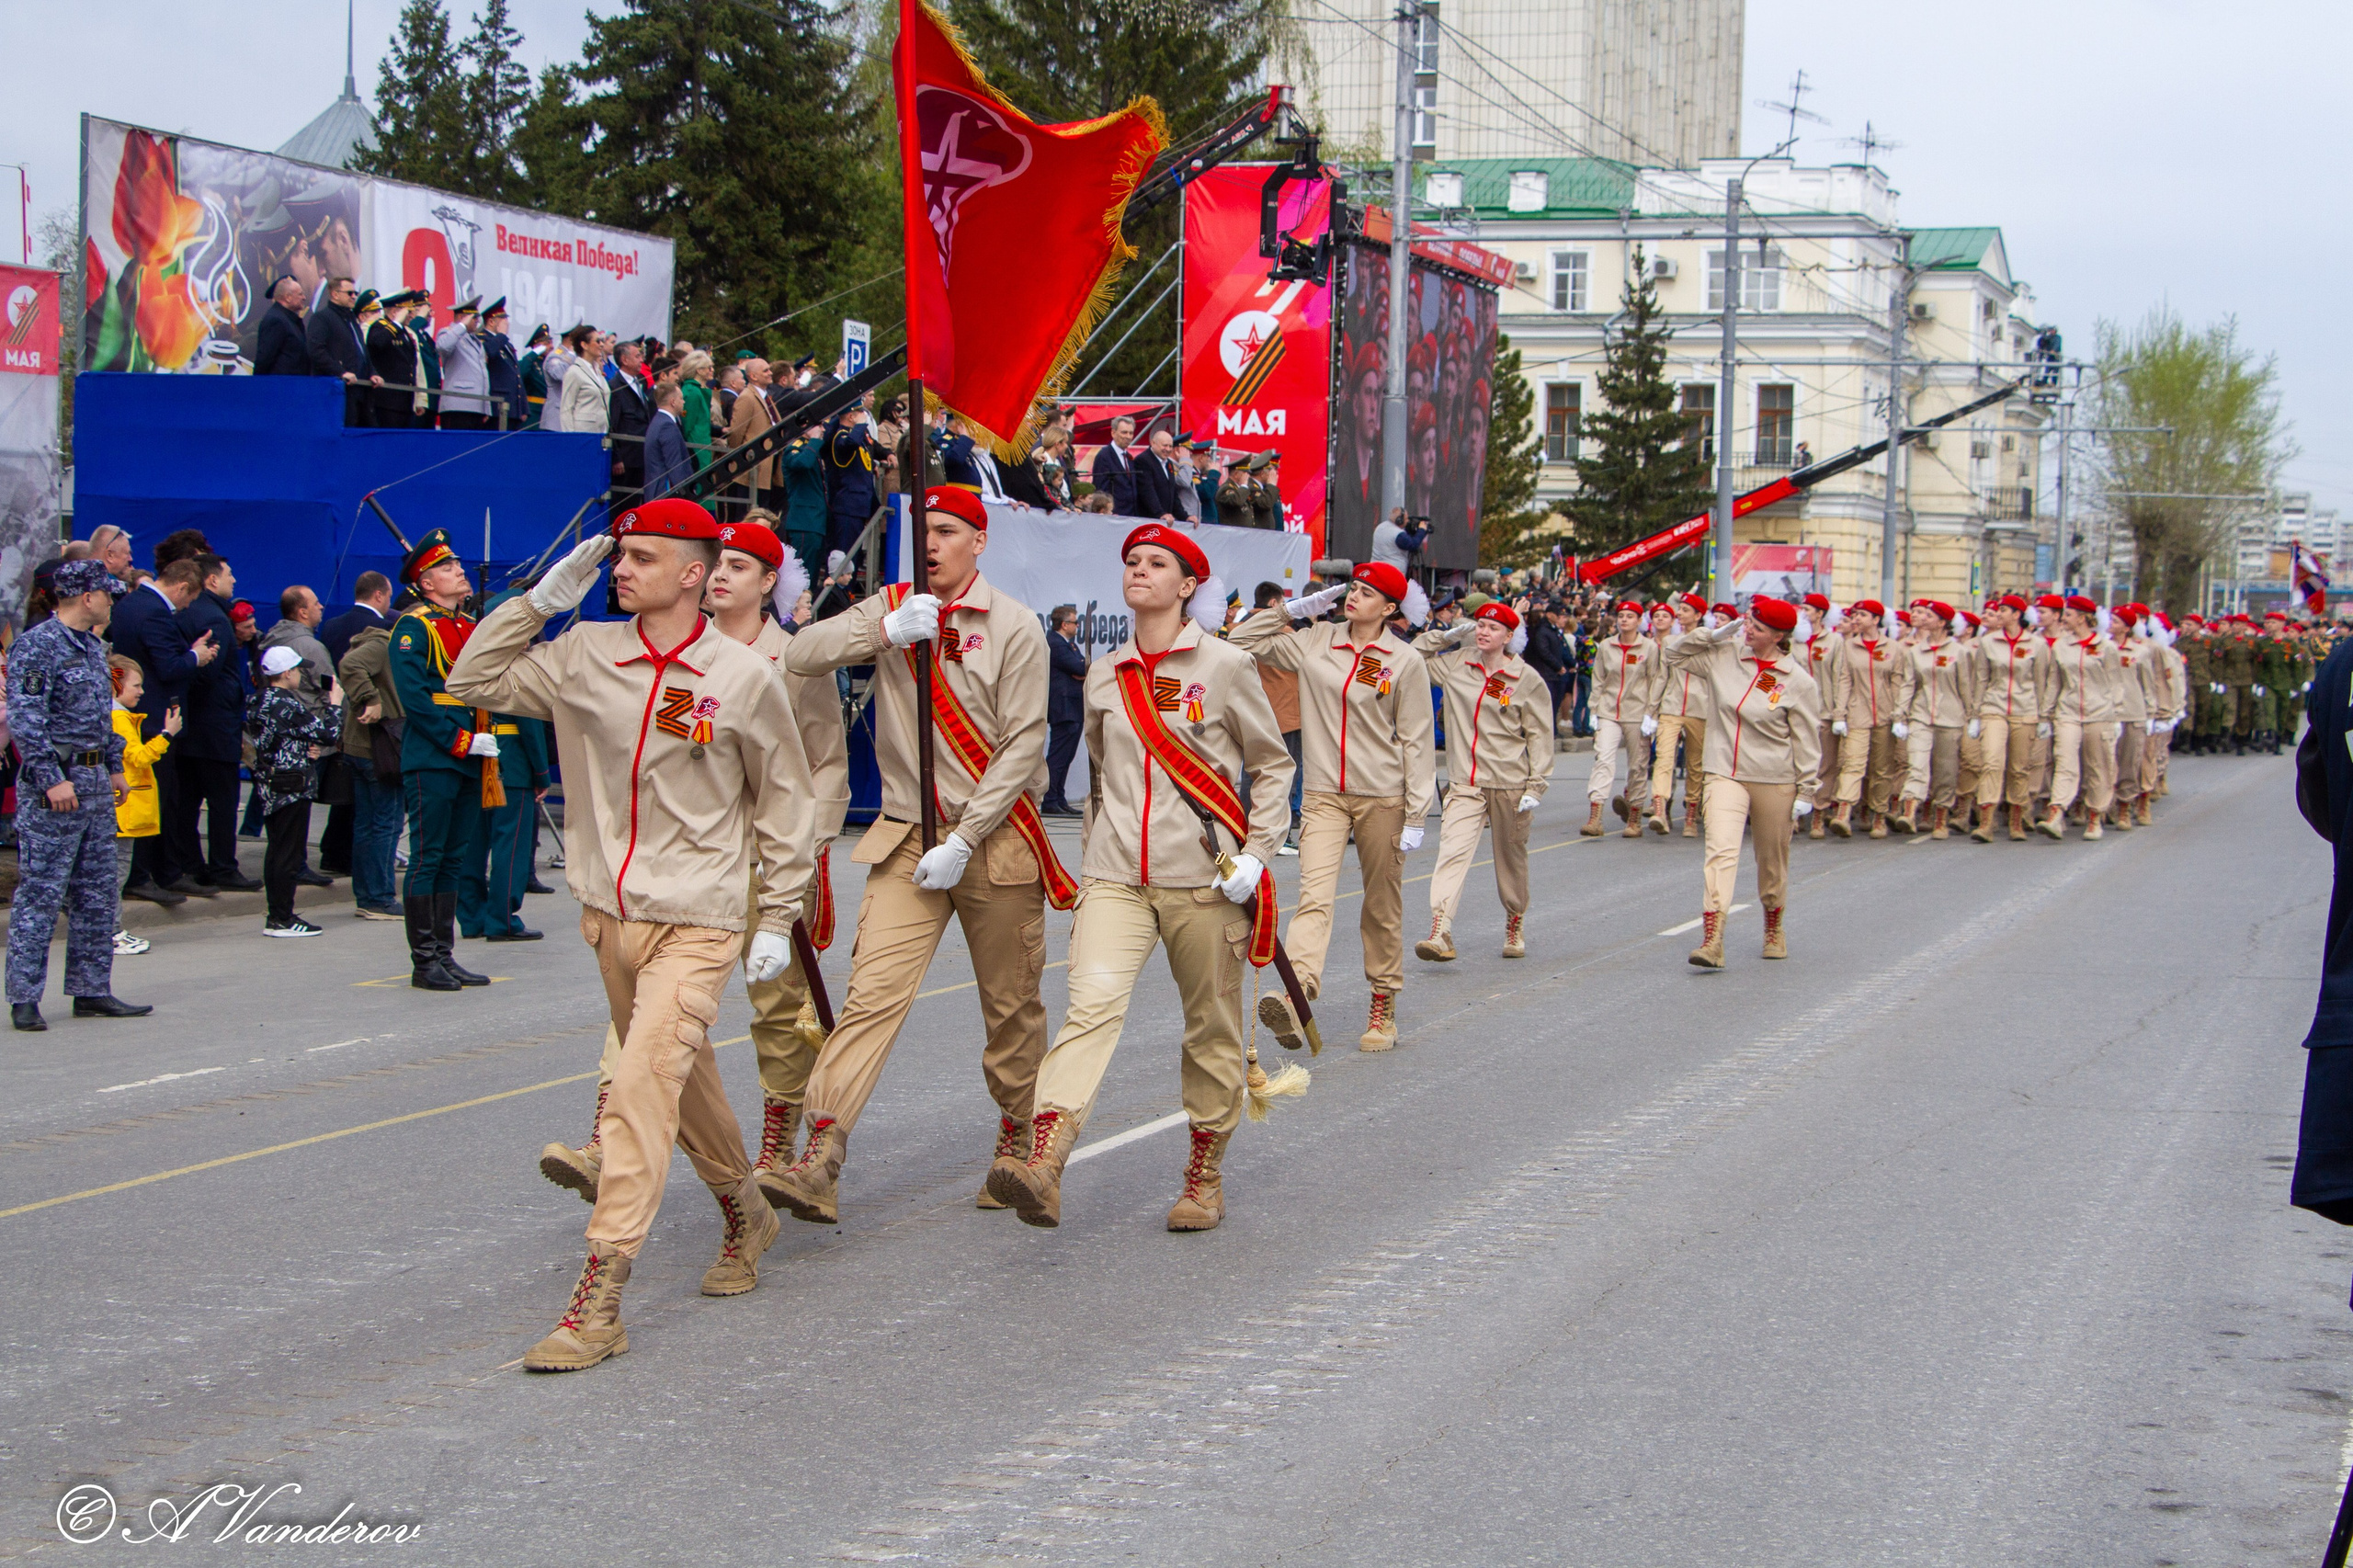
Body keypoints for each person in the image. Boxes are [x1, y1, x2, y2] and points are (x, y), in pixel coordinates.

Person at [447, 501, 818, 1375]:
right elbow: (472, 680)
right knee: (684, 1089)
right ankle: (744, 1206)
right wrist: (538, 604)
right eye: (621, 557)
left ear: (694, 574)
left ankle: (600, 1297)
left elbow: (788, 804)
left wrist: (775, 917)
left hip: (699, 920)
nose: (622, 570)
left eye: (643, 558)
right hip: (607, 919)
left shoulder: (741, 675)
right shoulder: (585, 655)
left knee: (639, 1090)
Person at [767, 484, 1069, 1224]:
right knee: (870, 997)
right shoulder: (893, 606)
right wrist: (885, 633)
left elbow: (1024, 742)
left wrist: (968, 836)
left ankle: (1015, 1134)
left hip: (991, 841)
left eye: (946, 531)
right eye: (921, 531)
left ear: (978, 541)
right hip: (907, 837)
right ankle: (822, 1155)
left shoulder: (1016, 626)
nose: (929, 543)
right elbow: (799, 653)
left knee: (1010, 1006)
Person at [539, 518, 852, 1209]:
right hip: (682, 867)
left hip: (762, 864)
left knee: (777, 1006)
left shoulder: (789, 660)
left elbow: (823, 768)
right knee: (646, 1005)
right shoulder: (665, 651)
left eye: (740, 567)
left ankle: (777, 1138)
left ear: (770, 582)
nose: (721, 576)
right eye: (719, 563)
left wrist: (798, 859)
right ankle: (605, 1141)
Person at [990, 523, 1293, 1232]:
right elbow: (1099, 776)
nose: (1140, 571)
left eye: (1157, 563)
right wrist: (1098, 852)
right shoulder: (1105, 672)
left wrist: (1258, 852)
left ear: (1187, 587)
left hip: (1205, 880)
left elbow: (1273, 766)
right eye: (1132, 561)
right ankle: (1046, 1161)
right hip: (1117, 876)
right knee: (1088, 1009)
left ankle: (1204, 1175)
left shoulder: (1224, 667)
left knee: (1209, 1029)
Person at [1231, 561, 1434, 1052]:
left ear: (1389, 609)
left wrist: (1418, 812)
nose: (1354, 597)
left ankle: (1383, 1002)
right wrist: (1292, 608)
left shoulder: (1405, 661)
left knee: (1380, 906)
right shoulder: (1316, 639)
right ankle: (1299, 987)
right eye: (1353, 588)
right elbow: (1239, 641)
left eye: (1368, 593)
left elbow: (1416, 739)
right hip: (1323, 795)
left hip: (1383, 797)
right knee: (1314, 894)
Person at [7, 560, 151, 1030]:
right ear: (85, 597)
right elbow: (27, 719)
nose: (112, 600)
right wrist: (51, 778)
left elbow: (100, 716)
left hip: (91, 784)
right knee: (42, 893)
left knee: (96, 893)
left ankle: (91, 989)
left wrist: (113, 766)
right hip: (57, 787)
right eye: (107, 593)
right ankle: (24, 997)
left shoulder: (93, 647)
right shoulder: (37, 646)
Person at [1666, 597, 1822, 968]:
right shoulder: (1725, 654)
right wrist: (1709, 634)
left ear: (1779, 636)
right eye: (1748, 622)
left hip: (1774, 777)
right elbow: (1673, 656)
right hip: (1724, 772)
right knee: (1720, 851)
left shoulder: (1797, 681)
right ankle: (1712, 939)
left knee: (1771, 860)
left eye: (1758, 628)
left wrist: (1807, 790)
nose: (1747, 629)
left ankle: (1773, 925)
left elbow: (1806, 740)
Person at [1411, 599, 1553, 962]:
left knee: (1510, 858)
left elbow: (1539, 735)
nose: (1483, 631)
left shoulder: (1526, 679)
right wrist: (1443, 637)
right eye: (1479, 625)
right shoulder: (1458, 664)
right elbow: (1411, 660)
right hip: (1464, 783)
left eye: (1493, 627)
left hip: (1510, 784)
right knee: (1451, 853)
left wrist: (1536, 786)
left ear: (1509, 635)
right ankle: (1440, 930)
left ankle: (1514, 919)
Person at [387, 530, 496, 990]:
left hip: (472, 753)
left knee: (453, 857)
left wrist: (484, 740)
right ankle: (424, 959)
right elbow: (415, 698)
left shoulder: (468, 626)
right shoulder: (415, 627)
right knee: (429, 857)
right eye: (448, 568)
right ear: (427, 584)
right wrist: (460, 741)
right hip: (436, 756)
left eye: (457, 565)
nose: (459, 571)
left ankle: (445, 955)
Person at [109, 556, 219, 903]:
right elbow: (167, 666)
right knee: (154, 798)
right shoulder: (155, 612)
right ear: (183, 587)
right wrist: (195, 657)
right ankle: (145, 875)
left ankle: (158, 871)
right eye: (190, 598)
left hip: (142, 711)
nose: (188, 606)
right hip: (155, 718)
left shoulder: (130, 603)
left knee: (160, 797)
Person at [166, 555, 258, 893]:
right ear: (211, 581)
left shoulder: (185, 613)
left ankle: (191, 863)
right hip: (215, 725)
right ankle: (223, 866)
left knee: (187, 800)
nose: (234, 580)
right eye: (229, 574)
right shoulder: (215, 619)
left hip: (188, 726)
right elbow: (210, 673)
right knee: (222, 801)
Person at [251, 646, 345, 937]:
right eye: (298, 670)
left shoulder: (258, 699)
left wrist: (304, 747)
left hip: (271, 782)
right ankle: (282, 917)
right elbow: (327, 733)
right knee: (288, 853)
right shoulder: (286, 703)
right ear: (287, 673)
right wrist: (336, 705)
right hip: (291, 786)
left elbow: (280, 737)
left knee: (278, 849)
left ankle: (278, 914)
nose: (301, 675)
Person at [335, 608, 405, 921]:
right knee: (384, 824)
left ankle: (367, 895)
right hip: (378, 749)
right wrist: (371, 698)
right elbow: (350, 666)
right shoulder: (383, 645)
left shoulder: (370, 642)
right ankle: (378, 897)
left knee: (367, 824)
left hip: (362, 747)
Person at [2037, 595, 2122, 841]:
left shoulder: (2106, 647)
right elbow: (2054, 681)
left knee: (2098, 766)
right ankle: (2056, 814)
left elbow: (2116, 684)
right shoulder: (2061, 646)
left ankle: (2095, 817)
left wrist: (2115, 716)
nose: (2064, 619)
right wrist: (2046, 714)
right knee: (2064, 761)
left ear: (2083, 618)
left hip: (2100, 714)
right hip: (2068, 712)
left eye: (2069, 615)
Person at [107, 656, 176, 956]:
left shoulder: (113, 716)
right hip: (124, 809)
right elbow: (137, 758)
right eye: (136, 685)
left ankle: (107, 931)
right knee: (116, 873)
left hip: (119, 808)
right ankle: (111, 933)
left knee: (112, 873)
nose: (142, 691)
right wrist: (167, 734)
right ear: (116, 686)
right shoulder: (120, 719)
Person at [1894, 600, 1979, 839]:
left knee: (1945, 770)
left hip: (1950, 718)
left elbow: (1965, 686)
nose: (1924, 619)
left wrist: (1972, 716)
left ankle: (1941, 817)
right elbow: (1908, 685)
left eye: (1930, 616)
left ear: (1943, 623)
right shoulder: (1915, 652)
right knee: (1917, 764)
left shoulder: (1959, 653)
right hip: (1921, 716)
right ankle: (1909, 812)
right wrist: (1900, 716)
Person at [1971, 593, 2049, 843]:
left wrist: (2044, 716)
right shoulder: (1988, 642)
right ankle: (1986, 821)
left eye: (2004, 610)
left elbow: (2041, 682)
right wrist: (1975, 714)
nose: (1999, 613)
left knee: (2019, 767)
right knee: (1992, 762)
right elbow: (1981, 678)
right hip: (1994, 707)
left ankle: (2017, 820)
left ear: (2017, 614)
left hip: (2025, 710)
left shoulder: (2037, 644)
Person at [1581, 598, 1662, 838]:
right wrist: (1593, 709)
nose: (1624, 619)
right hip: (1608, 710)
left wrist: (1651, 713)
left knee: (1638, 765)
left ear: (1639, 620)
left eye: (1630, 616)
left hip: (1637, 713)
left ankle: (1635, 817)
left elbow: (1655, 680)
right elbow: (1599, 678)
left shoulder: (1649, 648)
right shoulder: (1606, 646)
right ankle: (1595, 817)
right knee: (1603, 759)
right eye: (1621, 615)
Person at [1828, 599, 1904, 838]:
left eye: (1862, 615)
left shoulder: (1894, 648)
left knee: (1882, 769)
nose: (1857, 619)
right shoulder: (1848, 646)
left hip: (1885, 716)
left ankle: (1879, 816)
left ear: (1876, 619)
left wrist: (1899, 716)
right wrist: (1839, 714)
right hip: (1856, 714)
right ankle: (1843, 812)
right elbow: (1843, 680)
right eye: (1855, 615)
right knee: (1852, 764)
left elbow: (1898, 682)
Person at [1645, 594, 1711, 838]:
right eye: (1680, 609)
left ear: (1698, 615)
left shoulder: (1709, 641)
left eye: (1685, 610)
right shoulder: (1670, 640)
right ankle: (1659, 811)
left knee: (1695, 765)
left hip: (1700, 709)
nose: (1680, 614)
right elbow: (1662, 675)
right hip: (1671, 707)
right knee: (1664, 759)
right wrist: (1651, 711)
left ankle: (1691, 817)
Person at [1795, 594, 1847, 836]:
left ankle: (1819, 812)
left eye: (1808, 609)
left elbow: (1840, 677)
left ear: (1820, 614)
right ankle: (1794, 813)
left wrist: (1839, 714)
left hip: (1824, 712)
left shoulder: (1834, 641)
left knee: (1824, 765)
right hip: (1795, 712)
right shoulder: (1793, 639)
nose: (1803, 612)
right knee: (1794, 764)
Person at [304, 276, 377, 426]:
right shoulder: (322, 318)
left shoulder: (351, 320)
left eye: (355, 293)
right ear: (335, 294)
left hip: (360, 391)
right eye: (349, 293)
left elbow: (362, 351)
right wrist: (340, 372)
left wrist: (373, 373)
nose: (354, 297)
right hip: (337, 391)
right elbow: (316, 351)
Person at [1042, 604, 1087, 816]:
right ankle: (1050, 799)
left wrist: (1082, 670)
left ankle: (1059, 797)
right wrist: (1081, 670)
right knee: (1058, 757)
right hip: (1064, 708)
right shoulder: (1055, 643)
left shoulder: (1069, 644)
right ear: (1064, 624)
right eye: (1075, 622)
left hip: (1073, 707)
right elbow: (1080, 667)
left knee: (1066, 756)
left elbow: (1082, 666)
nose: (1077, 626)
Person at [607, 338, 653, 496]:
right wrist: (616, 457)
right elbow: (613, 424)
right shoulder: (615, 386)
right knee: (622, 502)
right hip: (626, 457)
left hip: (640, 453)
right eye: (637, 356)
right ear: (624, 360)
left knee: (635, 501)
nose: (641, 360)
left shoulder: (639, 382)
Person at [640, 382, 693, 500]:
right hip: (665, 491)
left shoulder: (658, 421)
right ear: (673, 402)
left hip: (657, 490)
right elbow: (674, 464)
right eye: (681, 398)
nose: (683, 402)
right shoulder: (667, 426)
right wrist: (684, 493)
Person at [561, 329, 612, 439]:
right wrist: (571, 439)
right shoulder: (574, 372)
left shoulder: (597, 371)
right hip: (583, 435)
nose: (601, 345)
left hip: (601, 433)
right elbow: (566, 410)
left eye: (602, 341)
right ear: (584, 345)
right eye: (598, 341)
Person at [255, 277, 310, 377]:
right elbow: (265, 359)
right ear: (288, 297)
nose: (304, 298)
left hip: (294, 385)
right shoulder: (276, 321)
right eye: (300, 294)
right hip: (281, 387)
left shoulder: (289, 320)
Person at [1090, 416, 1140, 516]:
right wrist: (1108, 511)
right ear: (1113, 433)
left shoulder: (1129, 458)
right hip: (1114, 515)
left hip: (1131, 515)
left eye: (1131, 433)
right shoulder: (1104, 456)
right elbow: (1101, 489)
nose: (1128, 436)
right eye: (1124, 432)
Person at [1135, 427, 1182, 520]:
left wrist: (1185, 516)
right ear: (1153, 443)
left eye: (1170, 446)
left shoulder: (1168, 463)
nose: (1168, 449)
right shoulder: (1143, 460)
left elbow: (1173, 494)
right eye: (1165, 445)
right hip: (1149, 519)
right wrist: (1160, 513)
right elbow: (1147, 491)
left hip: (1165, 519)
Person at [519, 324, 553, 424]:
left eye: (551, 343)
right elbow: (521, 372)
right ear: (536, 346)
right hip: (533, 414)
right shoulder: (529, 362)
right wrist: (535, 352)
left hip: (549, 415)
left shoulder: (550, 364)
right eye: (547, 343)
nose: (551, 346)